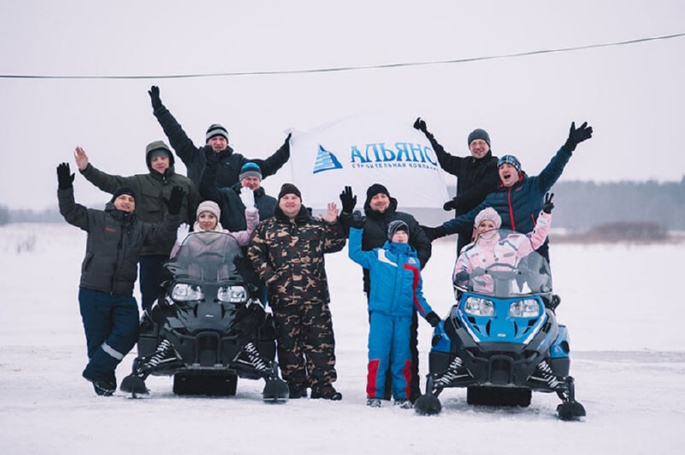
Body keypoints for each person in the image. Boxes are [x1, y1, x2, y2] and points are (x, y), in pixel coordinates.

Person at [56, 162, 183, 396]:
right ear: (114, 201)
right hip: (93, 291)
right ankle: (103, 382)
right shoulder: (97, 219)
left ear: (135, 206)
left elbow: (163, 235)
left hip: (123, 295)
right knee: (98, 341)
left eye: (131, 200)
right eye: (122, 198)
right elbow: (70, 212)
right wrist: (65, 188)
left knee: (129, 332)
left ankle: (95, 371)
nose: (126, 201)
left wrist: (173, 213)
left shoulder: (141, 229)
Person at [422, 121, 593, 263]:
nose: (505, 169)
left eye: (509, 166)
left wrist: (569, 145)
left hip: (534, 248)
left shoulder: (534, 186)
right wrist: (437, 231)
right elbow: (467, 218)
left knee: (538, 289)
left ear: (517, 170)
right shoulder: (494, 199)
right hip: (507, 253)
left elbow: (554, 168)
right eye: (502, 167)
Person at [248, 183, 347, 400]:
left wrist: (333, 224)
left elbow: (336, 244)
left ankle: (323, 386)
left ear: (300, 202)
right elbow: (255, 253)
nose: (290, 201)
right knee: (288, 344)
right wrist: (270, 277)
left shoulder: (316, 225)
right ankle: (295, 384)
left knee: (320, 343)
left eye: (294, 197)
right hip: (282, 297)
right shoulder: (266, 227)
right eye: (286, 198)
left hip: (315, 298)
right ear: (279, 202)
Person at [74, 141, 200, 311]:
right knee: (151, 303)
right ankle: (150, 327)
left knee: (183, 300)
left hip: (180, 253)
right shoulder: (139, 182)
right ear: (149, 163)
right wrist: (86, 169)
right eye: (154, 159)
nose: (159, 162)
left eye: (163, 158)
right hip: (150, 253)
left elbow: (196, 215)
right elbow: (110, 182)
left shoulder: (185, 183)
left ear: (170, 159)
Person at [339, 183, 432, 403]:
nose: (380, 200)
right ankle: (379, 392)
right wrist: (348, 216)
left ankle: (408, 392)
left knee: (406, 348)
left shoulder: (406, 220)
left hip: (404, 297)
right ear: (369, 202)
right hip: (379, 296)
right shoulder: (369, 234)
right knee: (380, 348)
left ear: (389, 198)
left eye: (383, 196)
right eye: (375, 197)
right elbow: (349, 241)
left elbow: (424, 244)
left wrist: (412, 267)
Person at [348, 216, 441, 409]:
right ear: (390, 236)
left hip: (403, 318)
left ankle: (402, 396)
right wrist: (356, 229)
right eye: (397, 233)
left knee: (402, 357)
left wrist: (429, 314)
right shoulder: (378, 255)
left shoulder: (413, 262)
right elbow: (355, 254)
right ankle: (374, 394)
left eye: (404, 233)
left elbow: (416, 294)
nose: (401, 236)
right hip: (381, 315)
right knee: (378, 354)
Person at [148, 85, 291, 188]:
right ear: (207, 142)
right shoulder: (194, 156)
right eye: (214, 139)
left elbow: (267, 166)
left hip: (229, 213)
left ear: (227, 143)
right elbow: (175, 132)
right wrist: (160, 110)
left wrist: (287, 148)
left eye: (222, 139)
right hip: (200, 212)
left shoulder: (238, 162)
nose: (218, 142)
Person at [413, 119, 500, 254]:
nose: (477, 147)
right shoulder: (464, 164)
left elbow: (481, 190)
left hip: (486, 228)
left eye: (481, 143)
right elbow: (443, 158)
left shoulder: (495, 166)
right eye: (474, 144)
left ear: (488, 145)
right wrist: (426, 135)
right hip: (463, 227)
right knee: (463, 262)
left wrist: (456, 202)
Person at [453, 198, 553, 293]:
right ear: (477, 228)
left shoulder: (511, 245)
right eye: (482, 225)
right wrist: (463, 276)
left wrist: (545, 215)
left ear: (497, 228)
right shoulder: (469, 251)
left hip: (511, 296)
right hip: (480, 297)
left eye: (491, 226)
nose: (486, 229)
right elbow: (459, 275)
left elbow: (535, 239)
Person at [199, 156, 277, 233]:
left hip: (259, 240)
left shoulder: (271, 203)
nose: (251, 182)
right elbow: (207, 190)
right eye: (248, 179)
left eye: (255, 179)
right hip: (231, 239)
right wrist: (211, 164)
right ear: (241, 179)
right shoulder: (227, 195)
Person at [169, 199, 259, 258]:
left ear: (217, 219)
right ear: (198, 218)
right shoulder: (189, 238)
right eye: (202, 216)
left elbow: (251, 236)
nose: (206, 220)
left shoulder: (227, 237)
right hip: (193, 280)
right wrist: (179, 244)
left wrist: (251, 210)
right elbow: (175, 261)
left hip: (222, 280)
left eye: (211, 217)